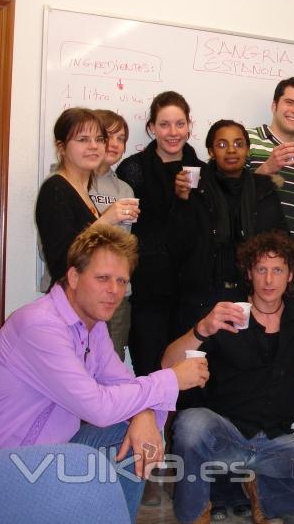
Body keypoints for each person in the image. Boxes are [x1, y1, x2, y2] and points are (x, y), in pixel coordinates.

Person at [0, 224, 209, 522]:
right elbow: (97, 407)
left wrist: (144, 415)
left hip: (48, 456)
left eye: (122, 281)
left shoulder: (92, 327)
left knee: (132, 434)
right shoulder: (39, 325)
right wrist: (172, 378)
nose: (115, 291)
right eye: (103, 278)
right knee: (88, 456)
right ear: (73, 277)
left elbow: (122, 382)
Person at [163, 231, 294, 524]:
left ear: (290, 275)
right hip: (227, 435)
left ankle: (261, 493)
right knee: (190, 424)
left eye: (277, 270)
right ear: (249, 273)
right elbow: (167, 364)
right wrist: (202, 328)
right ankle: (194, 514)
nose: (269, 280)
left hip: (276, 441)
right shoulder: (225, 311)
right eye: (261, 270)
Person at [116, 91, 205, 377]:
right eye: (164, 124)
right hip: (147, 292)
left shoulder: (204, 172)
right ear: (151, 127)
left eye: (180, 124)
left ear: (190, 125)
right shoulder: (133, 170)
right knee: (149, 372)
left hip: (191, 294)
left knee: (188, 379)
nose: (173, 132)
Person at [171, 119, 288, 332]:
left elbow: (281, 241)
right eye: (222, 145)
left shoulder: (264, 190)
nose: (231, 150)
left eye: (239, 144)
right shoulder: (195, 188)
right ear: (211, 151)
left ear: (248, 149)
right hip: (201, 296)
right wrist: (182, 201)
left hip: (250, 295)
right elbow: (179, 241)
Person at [36, 108, 139, 289]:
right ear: (61, 147)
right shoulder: (56, 188)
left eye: (99, 139)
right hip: (71, 299)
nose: (94, 146)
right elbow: (63, 261)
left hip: (91, 298)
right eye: (83, 139)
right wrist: (106, 220)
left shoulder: (83, 188)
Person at [248, 77, 294, 298]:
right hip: (252, 265)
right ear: (274, 106)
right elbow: (230, 195)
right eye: (289, 102)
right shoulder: (246, 140)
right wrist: (267, 169)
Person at [89, 109, 137, 359]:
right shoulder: (70, 182)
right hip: (80, 295)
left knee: (112, 367)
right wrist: (108, 218)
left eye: (122, 139)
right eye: (109, 136)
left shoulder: (125, 187)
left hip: (118, 297)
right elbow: (57, 247)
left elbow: (125, 245)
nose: (116, 144)